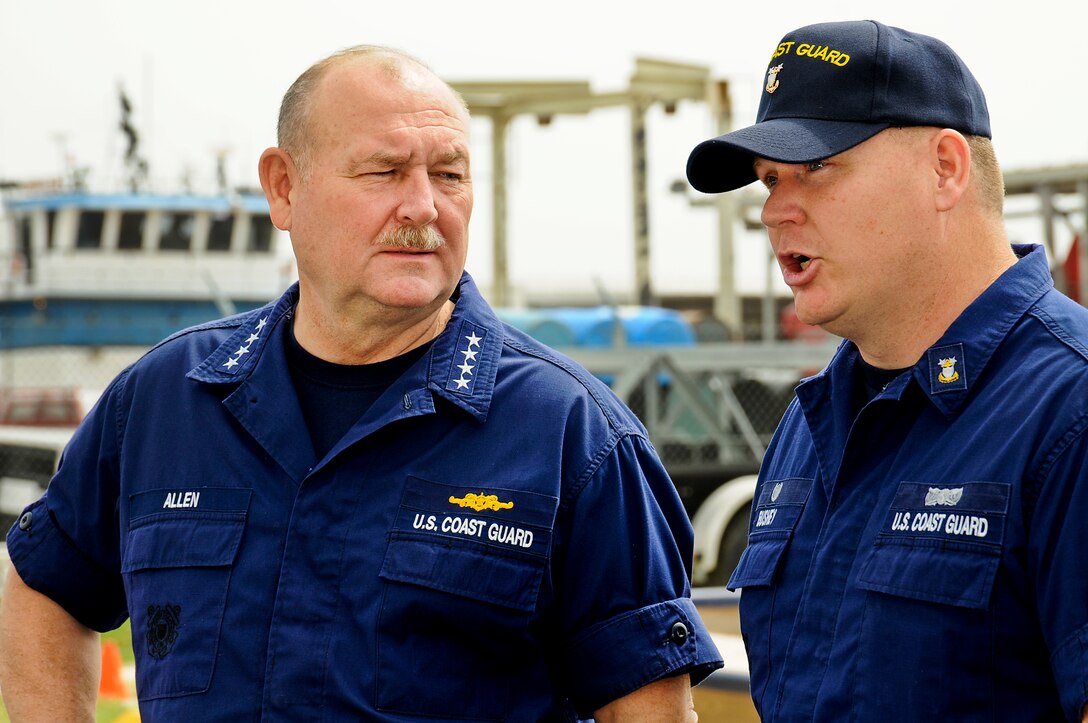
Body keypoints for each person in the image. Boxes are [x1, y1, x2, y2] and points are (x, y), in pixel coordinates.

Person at [0, 46, 723, 721]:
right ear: (284, 190)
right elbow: (44, 587)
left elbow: (647, 708)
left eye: (449, 174)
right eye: (385, 172)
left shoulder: (574, 435)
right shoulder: (165, 401)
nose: (423, 207)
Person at [685, 19, 1088, 722]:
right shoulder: (810, 428)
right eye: (769, 180)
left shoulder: (1070, 410)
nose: (776, 209)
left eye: (816, 167)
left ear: (945, 168)